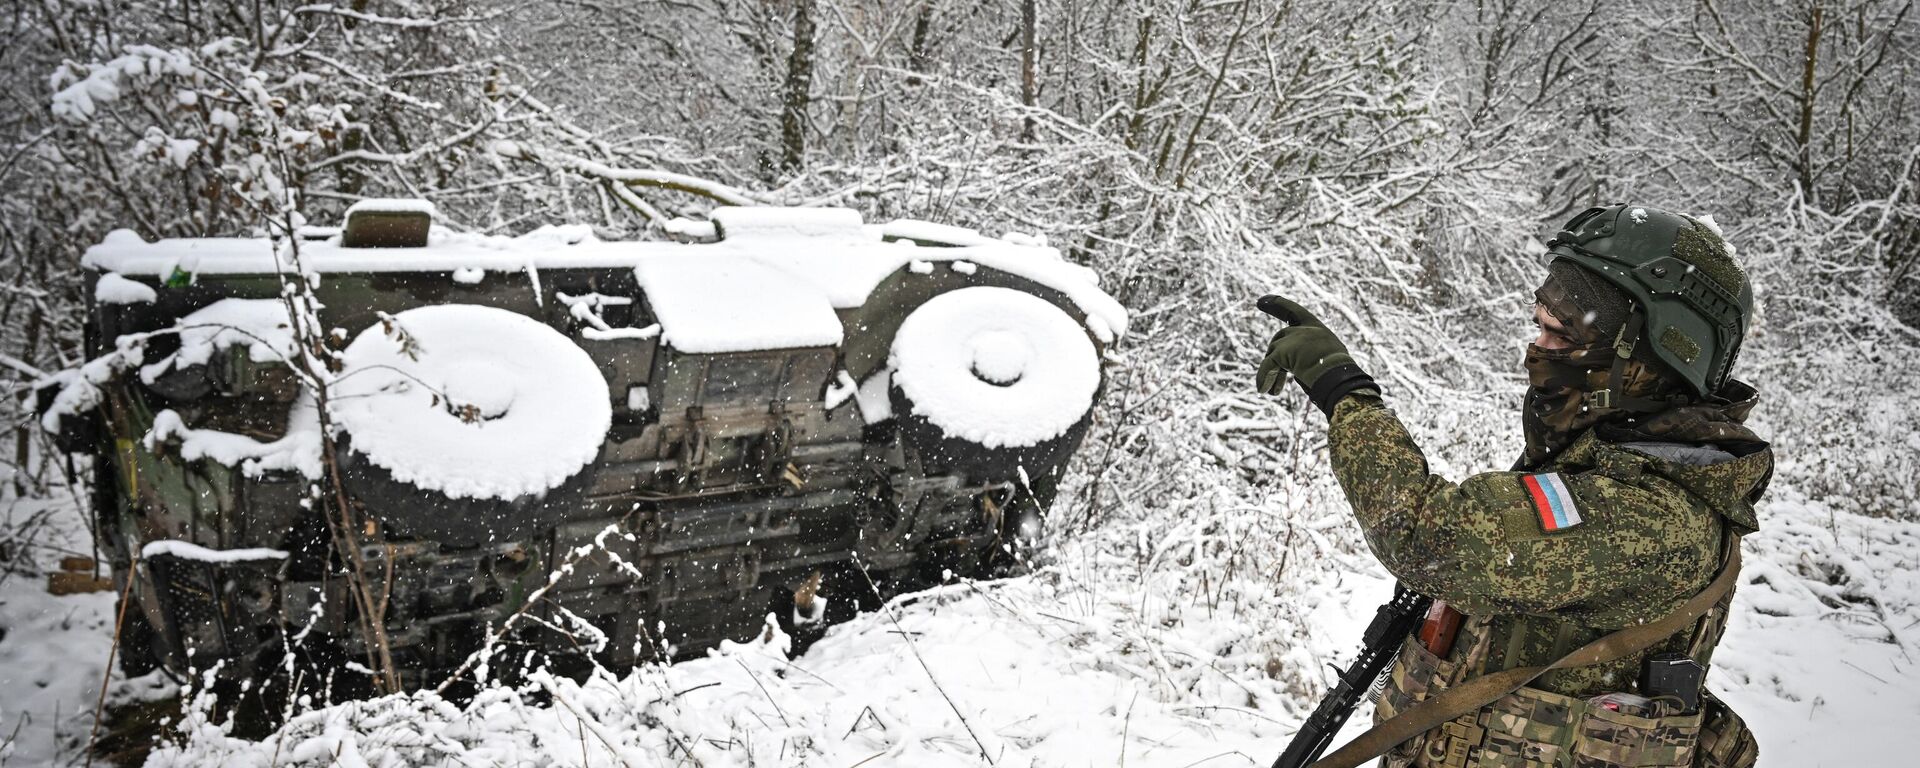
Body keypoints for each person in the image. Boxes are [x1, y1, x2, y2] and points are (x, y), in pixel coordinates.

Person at [1256, 204, 1767, 768]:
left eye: (1562, 333)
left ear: (1652, 357)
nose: (1538, 350)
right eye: (1540, 325)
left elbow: (1430, 535)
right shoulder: (1601, 462)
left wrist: (1342, 389)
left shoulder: (1653, 515)